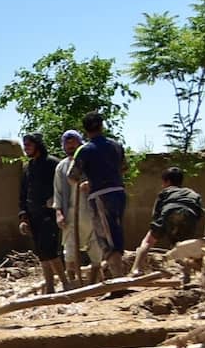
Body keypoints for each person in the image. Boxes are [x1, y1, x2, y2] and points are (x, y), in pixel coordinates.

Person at [70, 111, 129, 278]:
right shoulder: (116, 145)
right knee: (115, 232)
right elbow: (124, 168)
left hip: (100, 196)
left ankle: (118, 280)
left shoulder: (84, 150)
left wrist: (87, 182)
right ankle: (117, 276)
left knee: (107, 238)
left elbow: (72, 176)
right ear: (102, 126)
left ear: (85, 130)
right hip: (119, 193)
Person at [131, 166, 205, 273]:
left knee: (148, 241)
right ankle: (186, 275)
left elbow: (156, 213)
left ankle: (136, 269)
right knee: (183, 246)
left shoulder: (165, 192)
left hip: (169, 212)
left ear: (167, 181)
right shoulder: (192, 193)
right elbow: (199, 211)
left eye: (163, 182)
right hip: (189, 215)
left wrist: (156, 228)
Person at [17, 133, 66, 293]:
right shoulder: (28, 168)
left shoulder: (53, 164)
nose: (26, 148)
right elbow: (23, 194)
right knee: (42, 254)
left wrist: (55, 199)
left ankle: (65, 284)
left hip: (50, 214)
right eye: (25, 146)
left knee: (50, 251)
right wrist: (24, 217)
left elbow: (64, 187)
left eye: (29, 145)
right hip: (33, 216)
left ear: (37, 144)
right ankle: (50, 287)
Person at [52, 129, 100, 285]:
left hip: (93, 212)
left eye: (74, 143)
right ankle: (72, 283)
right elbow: (58, 192)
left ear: (81, 143)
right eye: (67, 143)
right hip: (71, 214)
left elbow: (103, 182)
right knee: (70, 252)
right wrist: (59, 213)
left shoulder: (90, 161)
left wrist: (91, 185)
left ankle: (93, 282)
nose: (70, 146)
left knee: (96, 250)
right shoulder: (61, 167)